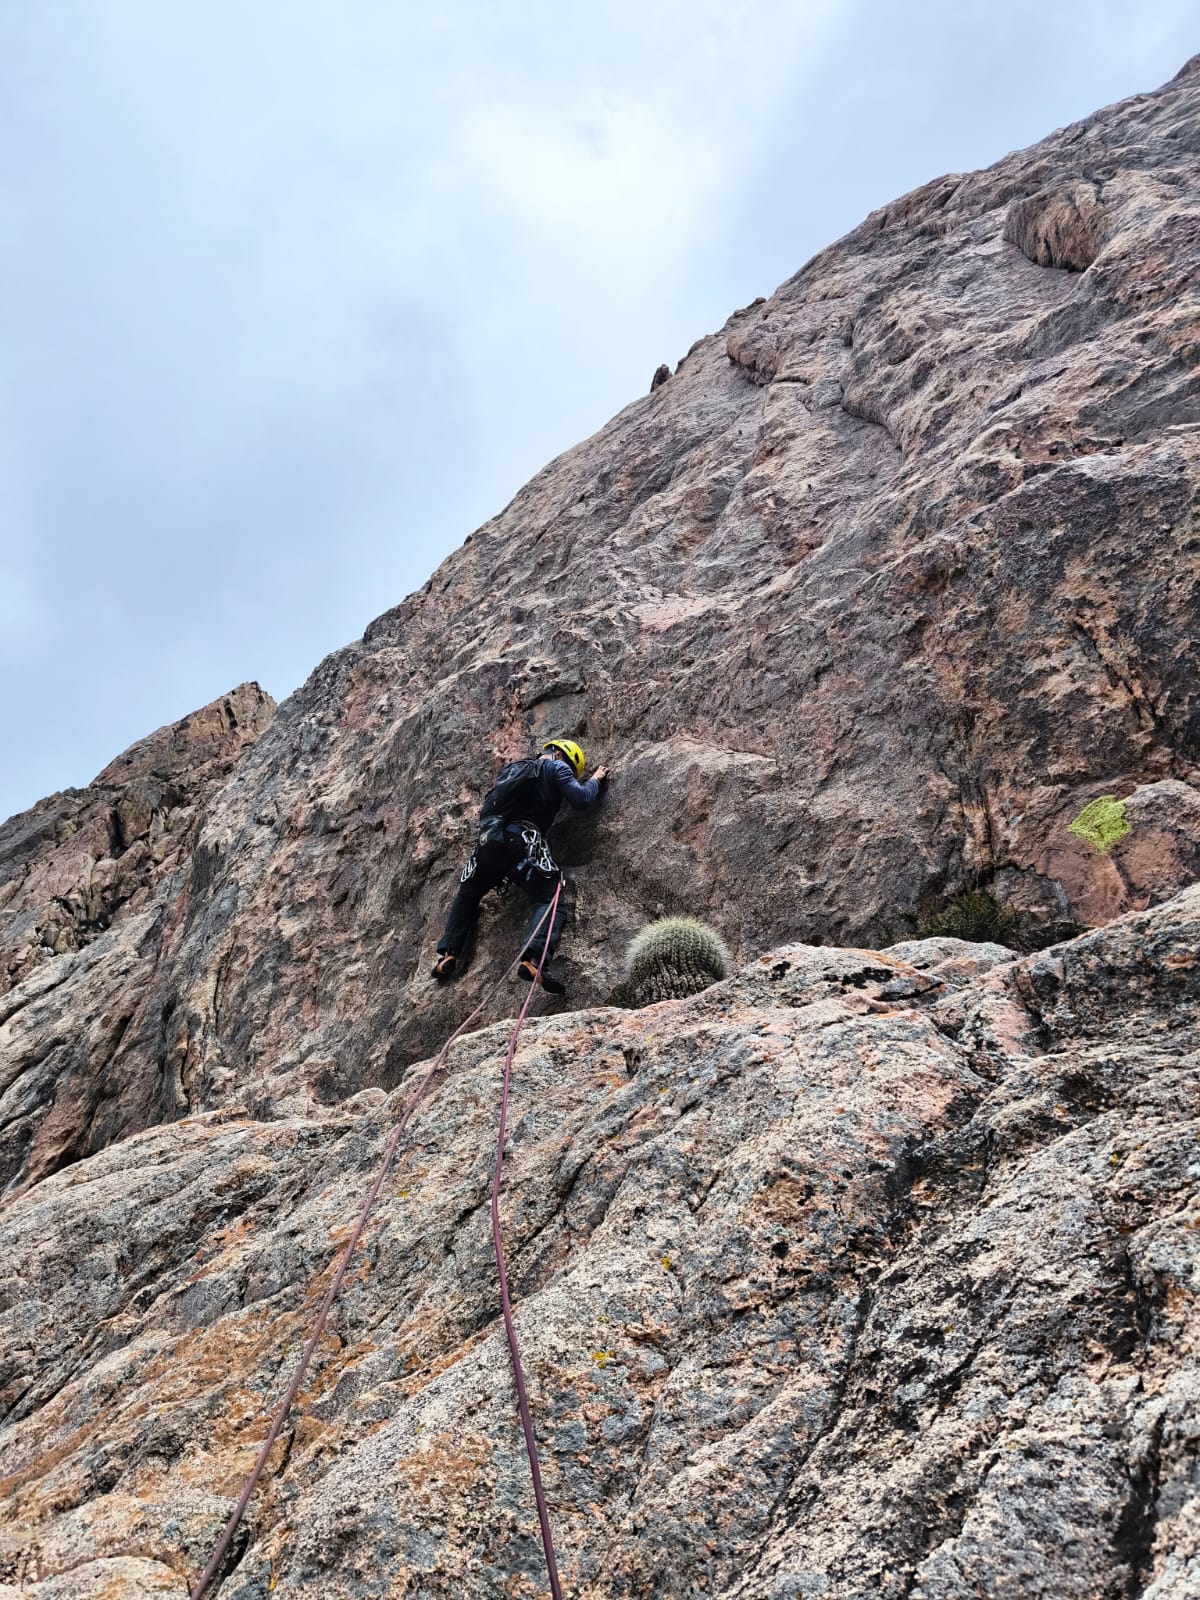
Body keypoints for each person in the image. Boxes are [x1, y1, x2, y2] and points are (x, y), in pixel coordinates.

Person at [431, 739, 609, 994]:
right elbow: (580, 799)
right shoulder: (555, 767)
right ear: (559, 754)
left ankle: (449, 953)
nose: (567, 771)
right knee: (550, 896)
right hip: (522, 844)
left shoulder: (513, 771)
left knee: (468, 894)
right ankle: (533, 959)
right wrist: (595, 780)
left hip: (487, 844)